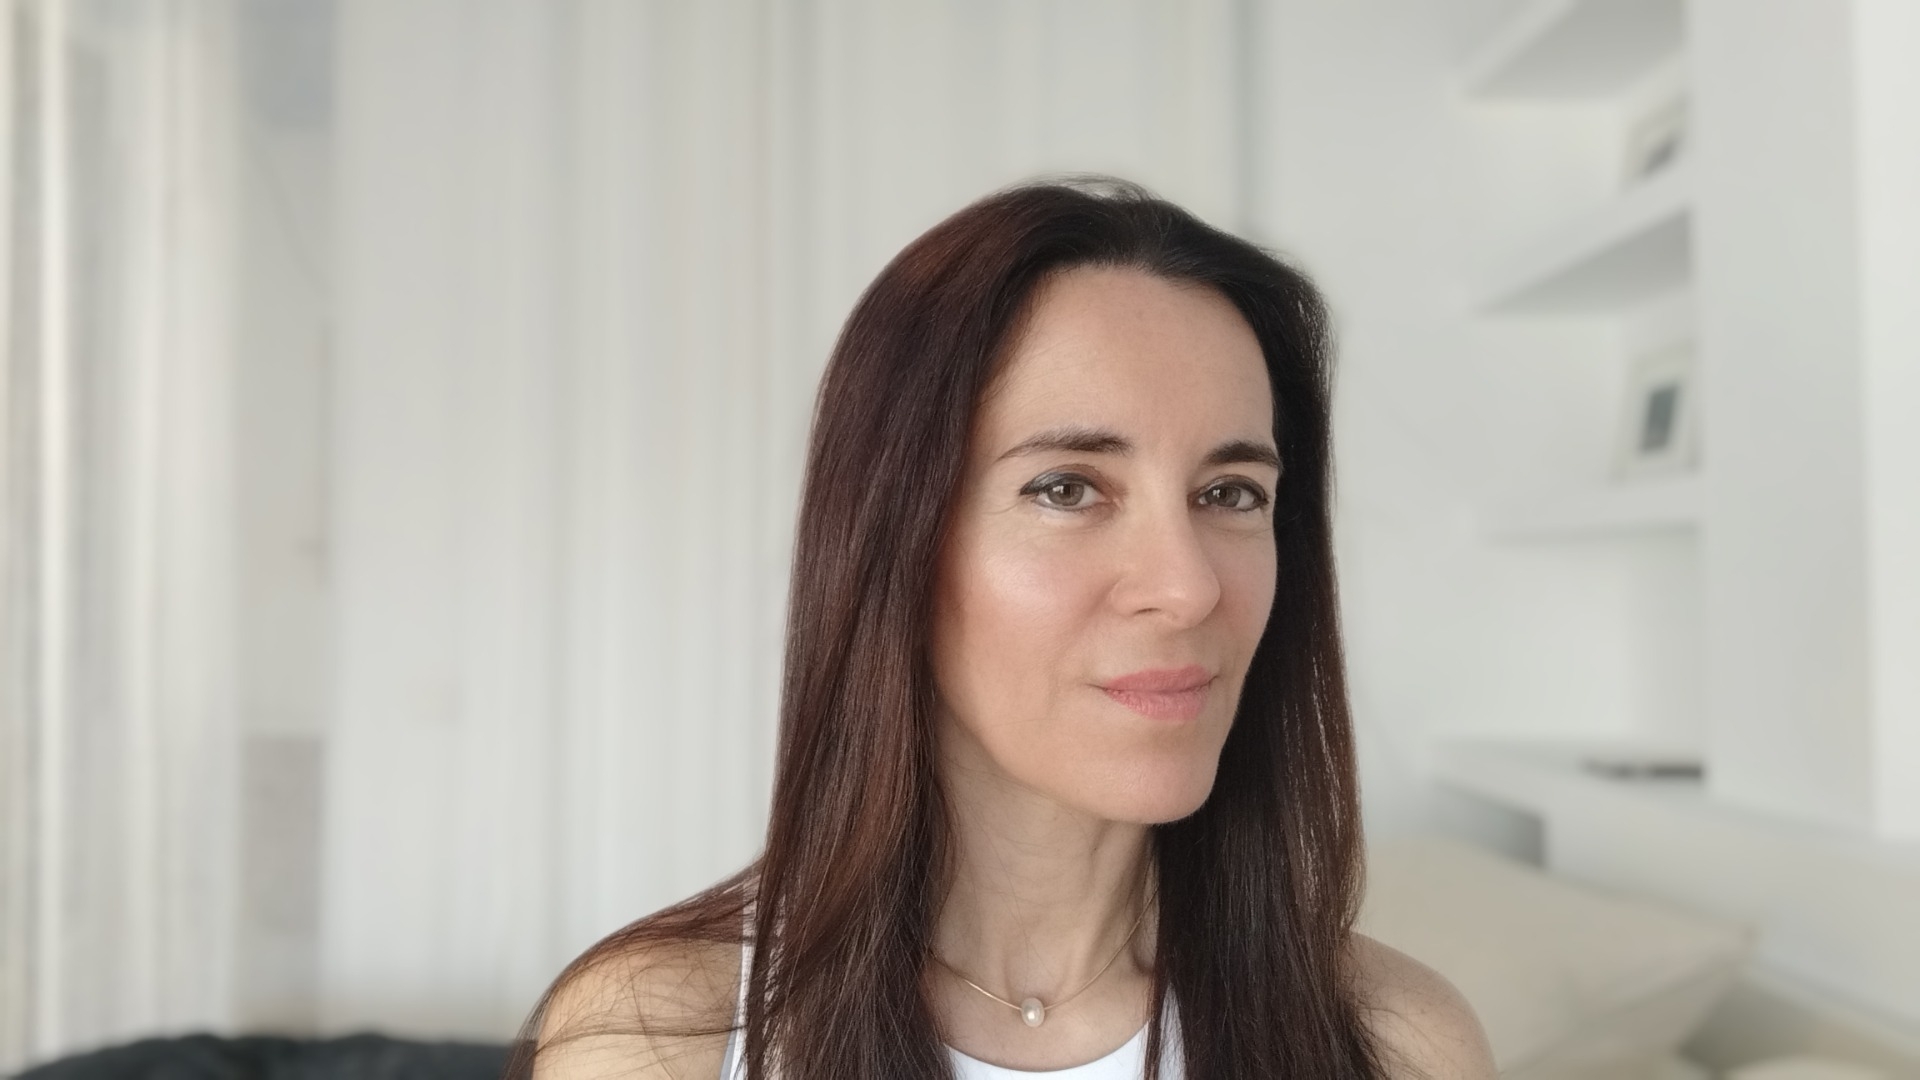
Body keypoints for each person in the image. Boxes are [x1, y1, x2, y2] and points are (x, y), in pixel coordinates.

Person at [509, 178, 1497, 1080]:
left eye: (1231, 493)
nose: (1188, 587)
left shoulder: (1402, 1048)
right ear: (895, 543)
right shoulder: (654, 1038)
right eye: (1068, 488)